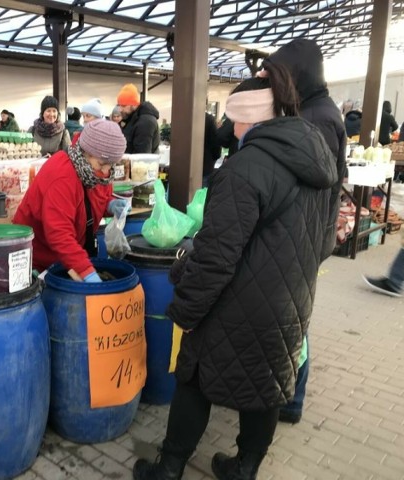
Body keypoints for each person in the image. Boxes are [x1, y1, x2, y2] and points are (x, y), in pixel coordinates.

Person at [132, 66, 337, 480]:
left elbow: (215, 258)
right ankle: (244, 469)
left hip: (238, 304)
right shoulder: (318, 160)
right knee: (265, 387)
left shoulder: (244, 170)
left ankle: (169, 469)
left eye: (231, 118)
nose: (228, 127)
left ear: (246, 118)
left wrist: (186, 311)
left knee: (194, 378)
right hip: (290, 300)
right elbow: (325, 240)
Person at [261, 38, 348, 425]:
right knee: (294, 317)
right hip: (309, 235)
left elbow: (310, 183)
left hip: (306, 237)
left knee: (294, 321)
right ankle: (289, 395)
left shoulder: (318, 118)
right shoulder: (316, 111)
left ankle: (292, 400)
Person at [13, 119, 128, 281]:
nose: (106, 171)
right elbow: (59, 233)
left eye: (111, 165)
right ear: (85, 152)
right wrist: (86, 272)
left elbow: (90, 202)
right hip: (39, 260)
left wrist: (109, 204)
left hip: (65, 258)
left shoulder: (93, 171)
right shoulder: (62, 176)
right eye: (102, 164)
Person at [117, 83, 160, 153]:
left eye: (124, 106)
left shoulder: (145, 122)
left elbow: (142, 156)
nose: (120, 109)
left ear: (133, 105)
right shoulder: (131, 118)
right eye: (119, 105)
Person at [202, 112, 222, 186]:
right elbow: (215, 142)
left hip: (183, 168)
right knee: (203, 194)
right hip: (206, 164)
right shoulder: (209, 119)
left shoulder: (181, 116)